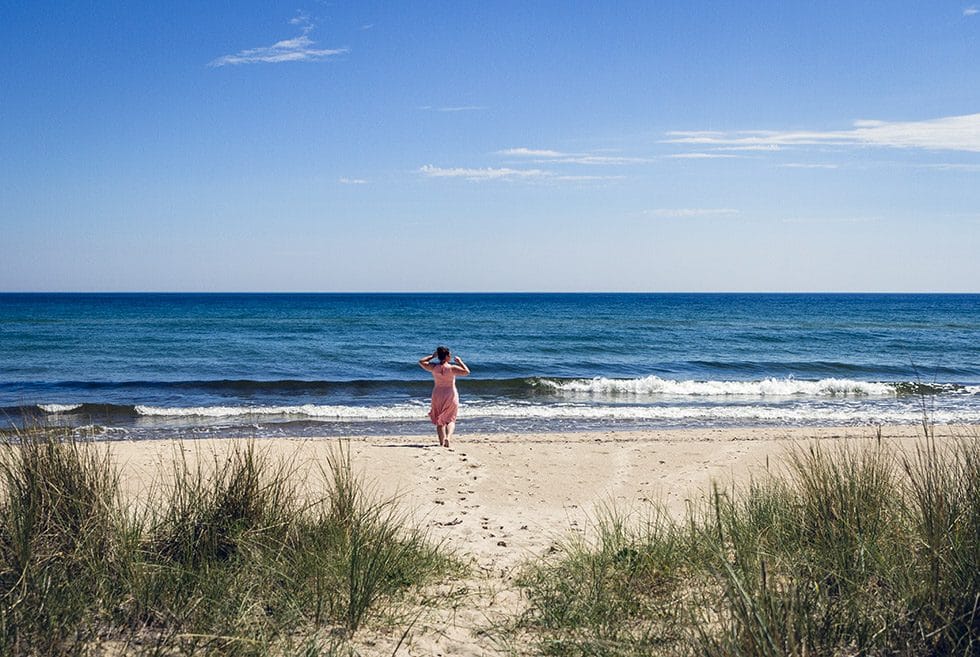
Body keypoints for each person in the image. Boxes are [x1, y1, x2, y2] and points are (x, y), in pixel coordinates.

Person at [418, 346, 470, 448]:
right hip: (450, 393)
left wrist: (432, 356)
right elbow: (467, 372)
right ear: (447, 356)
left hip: (437, 394)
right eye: (449, 354)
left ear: (439, 356)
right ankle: (448, 438)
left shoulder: (433, 367)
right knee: (451, 419)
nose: (450, 356)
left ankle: (441, 443)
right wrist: (460, 362)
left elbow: (421, 362)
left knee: (439, 419)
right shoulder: (452, 368)